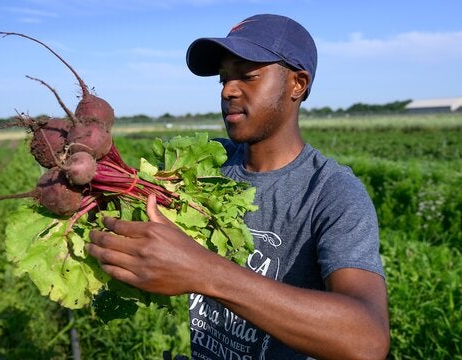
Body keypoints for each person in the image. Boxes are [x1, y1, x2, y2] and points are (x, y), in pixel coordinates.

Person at [87, 14, 389, 359]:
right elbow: (127, 194)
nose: (228, 90)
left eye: (247, 75)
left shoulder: (332, 194)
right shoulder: (204, 163)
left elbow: (368, 340)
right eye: (224, 79)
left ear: (297, 84)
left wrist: (204, 271)